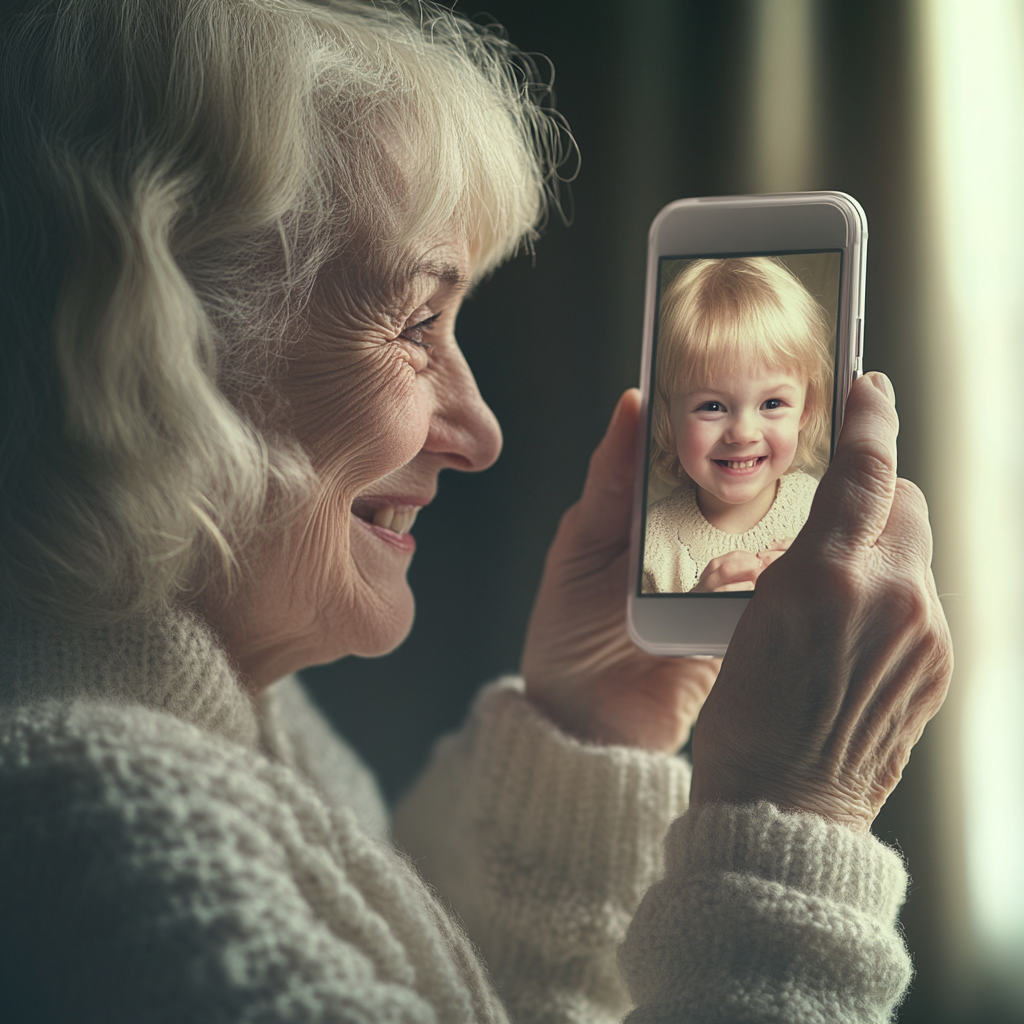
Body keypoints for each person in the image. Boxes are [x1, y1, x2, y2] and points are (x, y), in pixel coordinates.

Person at [0, 2, 952, 1022]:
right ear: (144, 346)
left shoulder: (248, 742)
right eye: (416, 322)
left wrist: (587, 731)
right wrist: (792, 816)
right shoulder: (101, 820)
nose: (479, 428)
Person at [644, 257, 834, 593]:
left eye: (772, 404)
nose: (744, 434)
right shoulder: (649, 546)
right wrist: (695, 615)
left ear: (806, 408)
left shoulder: (827, 517)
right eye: (712, 406)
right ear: (668, 415)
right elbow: (641, 648)